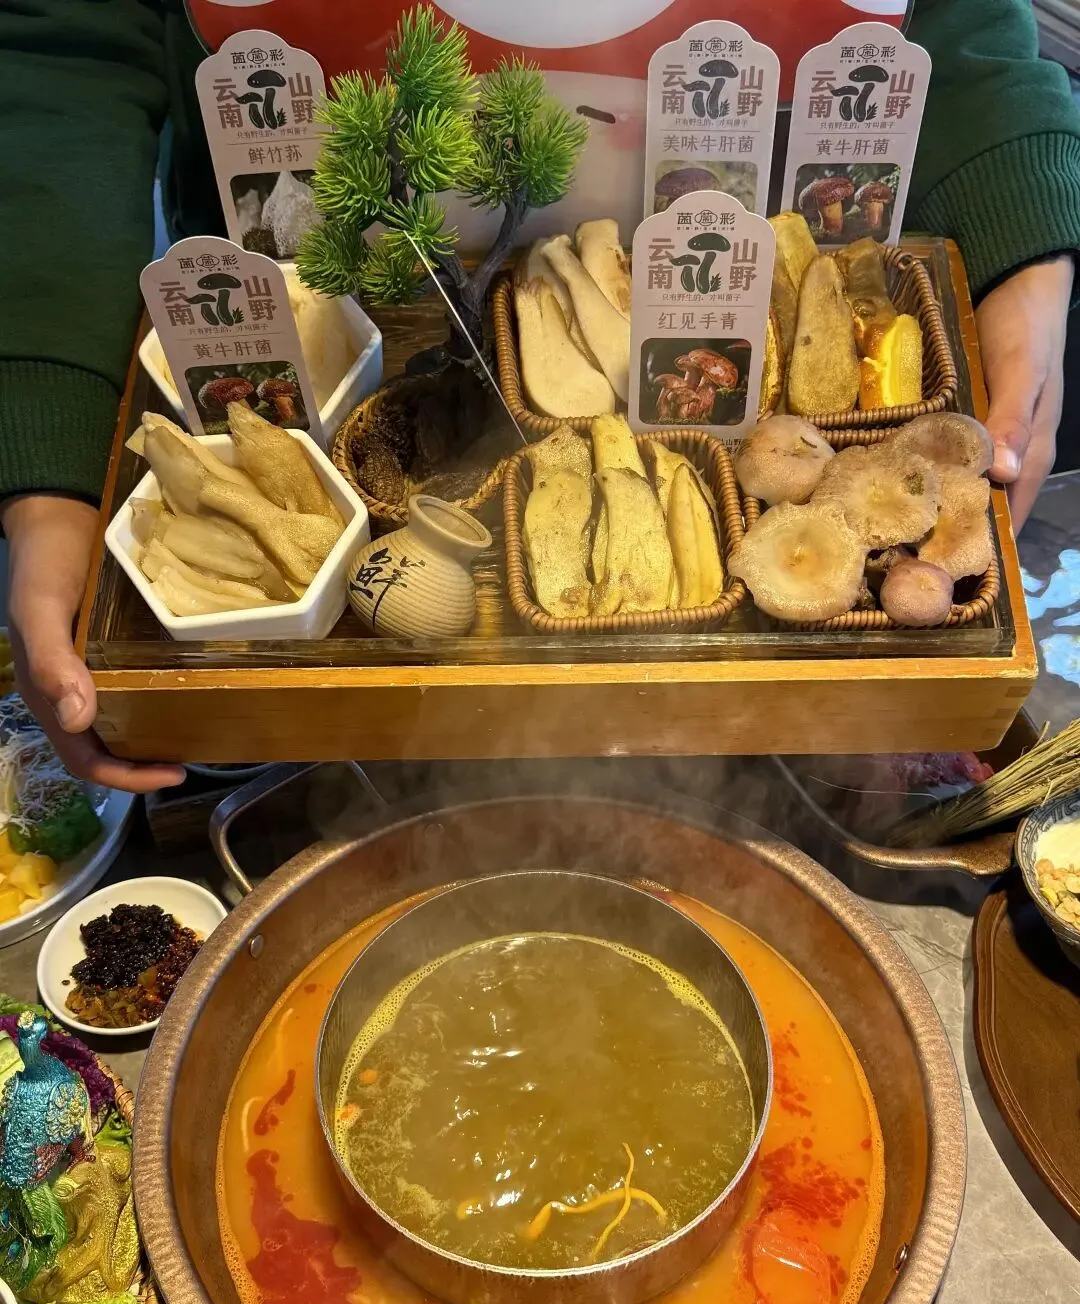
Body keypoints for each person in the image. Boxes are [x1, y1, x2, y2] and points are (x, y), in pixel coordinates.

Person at [0, 0, 1077, 792]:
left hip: (741, 314)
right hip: (303, 317)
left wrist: (1020, 251)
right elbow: (66, 54)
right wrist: (52, 459)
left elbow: (961, 30)